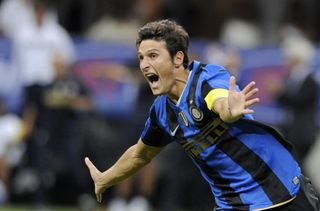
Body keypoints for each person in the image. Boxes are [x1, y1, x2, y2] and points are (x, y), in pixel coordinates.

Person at [85, 19, 320, 211]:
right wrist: (105, 179)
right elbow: (140, 155)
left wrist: (228, 110)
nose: (145, 64)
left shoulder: (207, 79)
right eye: (141, 58)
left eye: (153, 56)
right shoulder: (162, 112)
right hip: (232, 203)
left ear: (178, 58)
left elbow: (219, 102)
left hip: (279, 191)